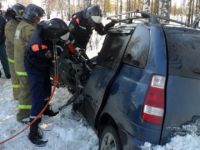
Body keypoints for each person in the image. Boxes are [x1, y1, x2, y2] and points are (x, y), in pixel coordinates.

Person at [24, 18, 69, 146]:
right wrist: (57, 52)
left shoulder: (46, 28)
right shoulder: (37, 44)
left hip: (42, 65)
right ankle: (33, 132)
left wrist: (60, 43)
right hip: (34, 67)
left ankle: (46, 109)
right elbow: (50, 54)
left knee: (47, 88)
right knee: (38, 96)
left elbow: (54, 44)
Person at [14, 4, 45, 123]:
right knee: (27, 91)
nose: (39, 20)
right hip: (24, 65)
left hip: (19, 62)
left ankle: (25, 112)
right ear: (32, 17)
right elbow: (38, 40)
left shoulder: (21, 25)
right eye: (38, 18)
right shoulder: (28, 29)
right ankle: (23, 115)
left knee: (24, 89)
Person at [4, 3, 25, 100]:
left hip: (21, 53)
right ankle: (17, 96)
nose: (22, 14)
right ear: (15, 13)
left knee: (22, 75)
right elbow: (15, 40)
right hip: (13, 55)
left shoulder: (21, 22)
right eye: (21, 12)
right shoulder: (10, 26)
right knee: (16, 77)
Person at [0, 8, 11, 79]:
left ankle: (8, 74)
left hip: (1, 42)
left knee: (4, 59)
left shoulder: (2, 19)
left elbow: (5, 30)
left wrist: (3, 38)